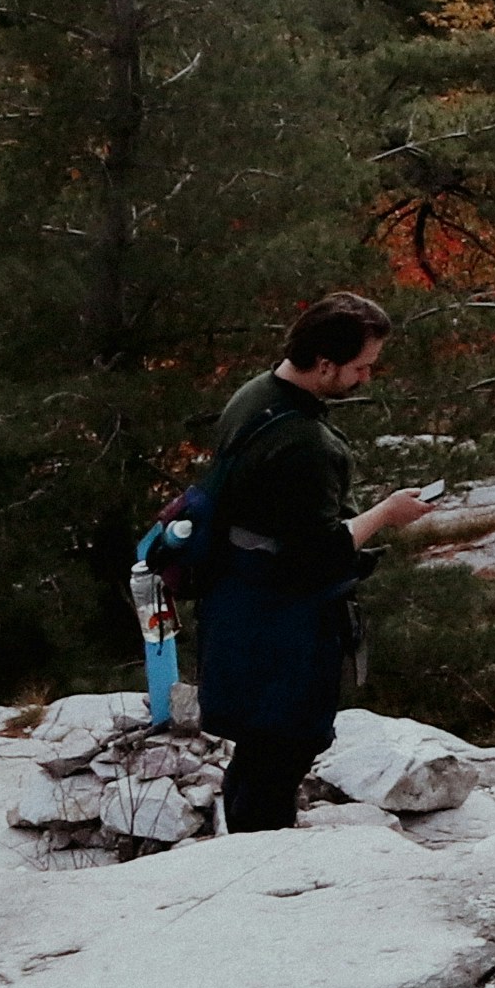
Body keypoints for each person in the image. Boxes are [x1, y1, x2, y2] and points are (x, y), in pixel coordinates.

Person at [186, 290, 439, 834]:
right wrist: (385, 514)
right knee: (282, 746)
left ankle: (247, 850)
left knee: (256, 750)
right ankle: (263, 867)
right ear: (324, 364)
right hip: (281, 624)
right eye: (360, 367)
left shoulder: (254, 395)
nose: (367, 378)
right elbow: (316, 553)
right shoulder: (305, 444)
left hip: (234, 600)